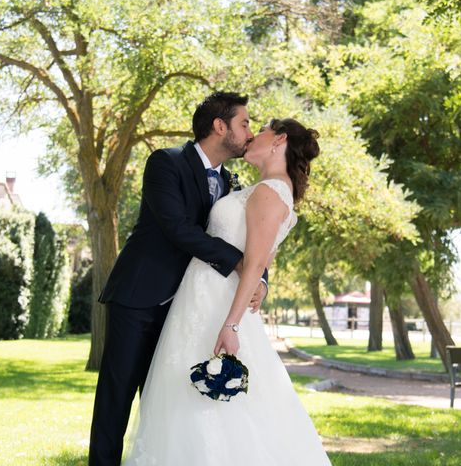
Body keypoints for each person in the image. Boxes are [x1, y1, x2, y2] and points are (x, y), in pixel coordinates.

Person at [123, 118, 330, 465]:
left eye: (259, 129)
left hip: (217, 307)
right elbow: (263, 264)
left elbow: (253, 262)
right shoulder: (267, 188)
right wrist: (262, 283)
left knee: (206, 405)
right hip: (200, 299)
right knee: (185, 398)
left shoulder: (270, 192)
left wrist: (231, 325)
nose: (251, 135)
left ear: (278, 140)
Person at [89, 92, 269, 466]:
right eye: (245, 123)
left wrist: (261, 278)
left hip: (189, 310)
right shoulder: (165, 163)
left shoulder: (232, 182)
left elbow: (247, 235)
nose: (250, 131)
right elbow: (178, 229)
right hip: (139, 298)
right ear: (220, 126)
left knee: (167, 406)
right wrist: (240, 266)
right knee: (115, 401)